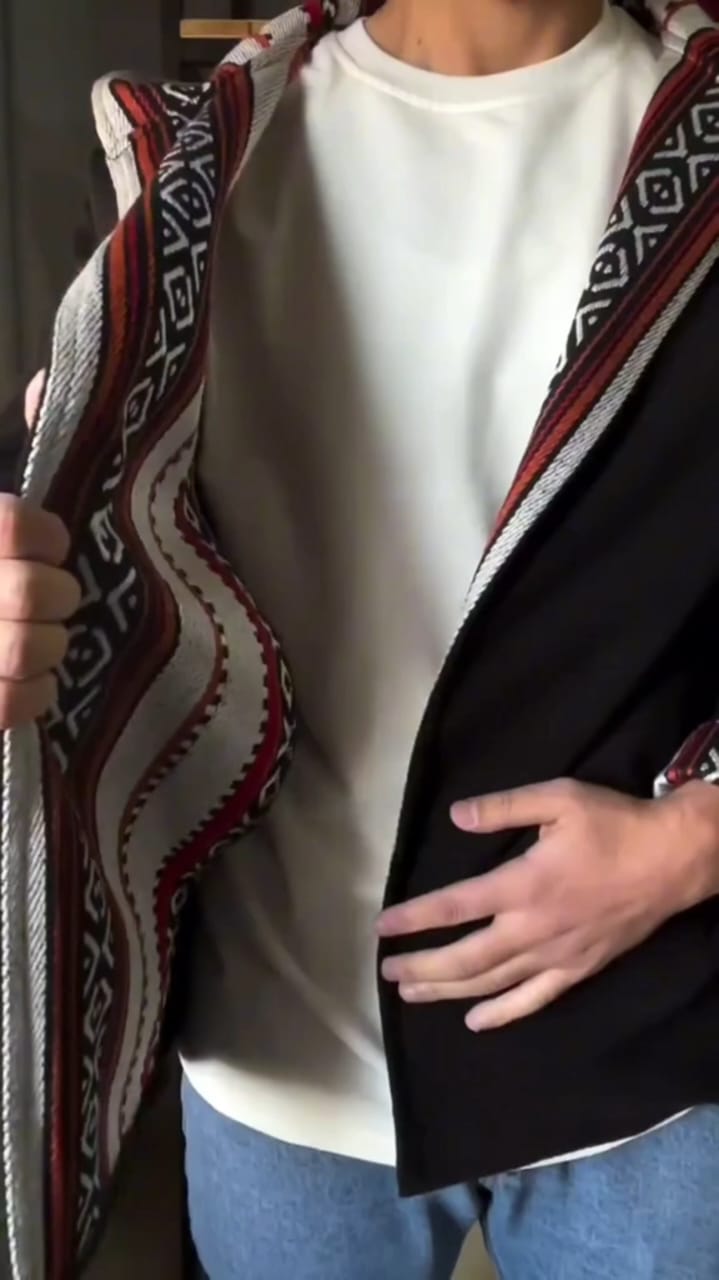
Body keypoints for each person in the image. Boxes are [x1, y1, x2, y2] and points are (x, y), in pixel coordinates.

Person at [2, 1, 719, 1276]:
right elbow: (96, 565)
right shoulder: (197, 162)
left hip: (645, 1049)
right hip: (279, 1043)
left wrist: (694, 839)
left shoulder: (700, 138)